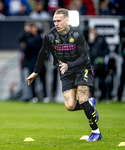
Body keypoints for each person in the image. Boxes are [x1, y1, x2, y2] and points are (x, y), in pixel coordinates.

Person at [26, 8, 102, 141]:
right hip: (66, 72)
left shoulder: (77, 34)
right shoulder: (50, 36)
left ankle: (95, 131)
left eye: (59, 21)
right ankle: (90, 105)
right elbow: (43, 53)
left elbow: (85, 57)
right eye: (54, 21)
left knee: (82, 99)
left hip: (82, 68)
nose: (56, 23)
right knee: (70, 106)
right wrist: (35, 72)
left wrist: (69, 65)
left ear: (67, 20)